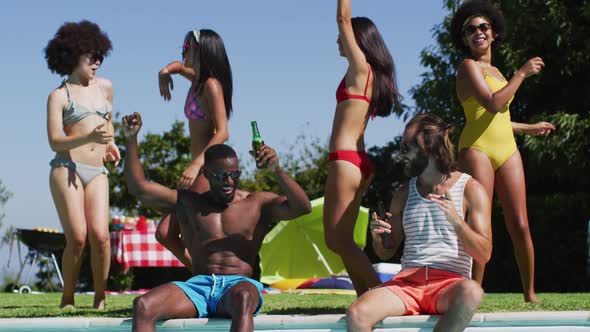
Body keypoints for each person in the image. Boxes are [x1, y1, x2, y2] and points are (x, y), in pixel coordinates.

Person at [121, 113, 311, 332]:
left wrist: (276, 169)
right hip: (197, 288)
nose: (229, 182)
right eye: (221, 176)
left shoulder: (255, 203)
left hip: (237, 287)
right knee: (143, 305)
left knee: (244, 299)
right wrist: (131, 138)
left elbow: (302, 207)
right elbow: (139, 187)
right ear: (208, 175)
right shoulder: (189, 203)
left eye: (234, 175)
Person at [347, 114, 492, 332]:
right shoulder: (403, 194)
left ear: (428, 147)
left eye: (406, 147)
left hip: (448, 285)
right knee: (357, 314)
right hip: (407, 285)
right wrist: (378, 239)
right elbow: (386, 252)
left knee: (472, 292)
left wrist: (456, 221)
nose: (401, 154)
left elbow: (484, 253)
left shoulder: (471, 190)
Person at [451, 0, 555, 302]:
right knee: (482, 224)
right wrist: (521, 73)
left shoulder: (495, 70)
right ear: (464, 39)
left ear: (493, 33)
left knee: (520, 223)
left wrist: (530, 128)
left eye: (483, 27)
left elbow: (500, 119)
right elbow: (493, 104)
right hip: (476, 149)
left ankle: (529, 293)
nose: (477, 32)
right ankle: (473, 293)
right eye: (470, 30)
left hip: (506, 148)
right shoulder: (468, 67)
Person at [324, 0, 401, 296]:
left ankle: (381, 296)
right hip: (357, 160)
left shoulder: (360, 68)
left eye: (345, 37)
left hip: (346, 161)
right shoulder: (365, 74)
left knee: (336, 241)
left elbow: (343, 19)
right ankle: (363, 297)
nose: (338, 41)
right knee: (343, 239)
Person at [45, 20, 120, 309]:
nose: (98, 61)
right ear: (72, 55)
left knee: (101, 236)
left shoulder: (106, 88)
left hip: (98, 171)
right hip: (67, 169)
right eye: (92, 55)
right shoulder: (58, 96)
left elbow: (108, 123)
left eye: (100, 55)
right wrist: (88, 136)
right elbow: (54, 141)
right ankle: (68, 299)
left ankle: (100, 299)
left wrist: (110, 144)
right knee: (77, 237)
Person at [156, 29, 233, 270]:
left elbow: (222, 132)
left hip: (206, 171)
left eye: (189, 47)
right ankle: (202, 274)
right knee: (166, 234)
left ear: (203, 52)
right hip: (199, 169)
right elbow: (178, 66)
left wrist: (196, 165)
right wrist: (164, 73)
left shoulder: (211, 85)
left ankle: (206, 275)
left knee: (168, 232)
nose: (183, 50)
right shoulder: (197, 80)